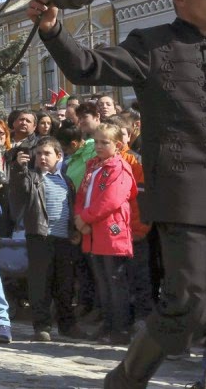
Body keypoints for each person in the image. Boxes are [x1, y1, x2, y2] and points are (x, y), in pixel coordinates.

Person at [28, 0, 206, 387]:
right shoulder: (151, 44)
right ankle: (126, 377)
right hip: (183, 196)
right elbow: (87, 65)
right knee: (192, 304)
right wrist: (52, 29)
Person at [8, 136, 83, 341]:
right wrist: (18, 169)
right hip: (40, 237)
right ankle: (42, 326)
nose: (42, 157)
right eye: (39, 153)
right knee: (41, 284)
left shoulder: (66, 180)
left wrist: (74, 229)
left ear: (59, 156)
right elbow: (19, 191)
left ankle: (68, 324)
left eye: (47, 153)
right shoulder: (31, 177)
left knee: (65, 284)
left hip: (64, 239)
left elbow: (72, 206)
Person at [73, 123, 135, 345]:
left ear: (117, 145)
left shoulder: (119, 168)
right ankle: (107, 325)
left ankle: (120, 328)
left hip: (111, 231)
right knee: (102, 281)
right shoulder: (93, 167)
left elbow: (111, 199)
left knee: (115, 281)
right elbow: (82, 196)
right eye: (96, 141)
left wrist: (86, 218)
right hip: (91, 231)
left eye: (104, 142)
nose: (98, 146)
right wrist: (79, 218)